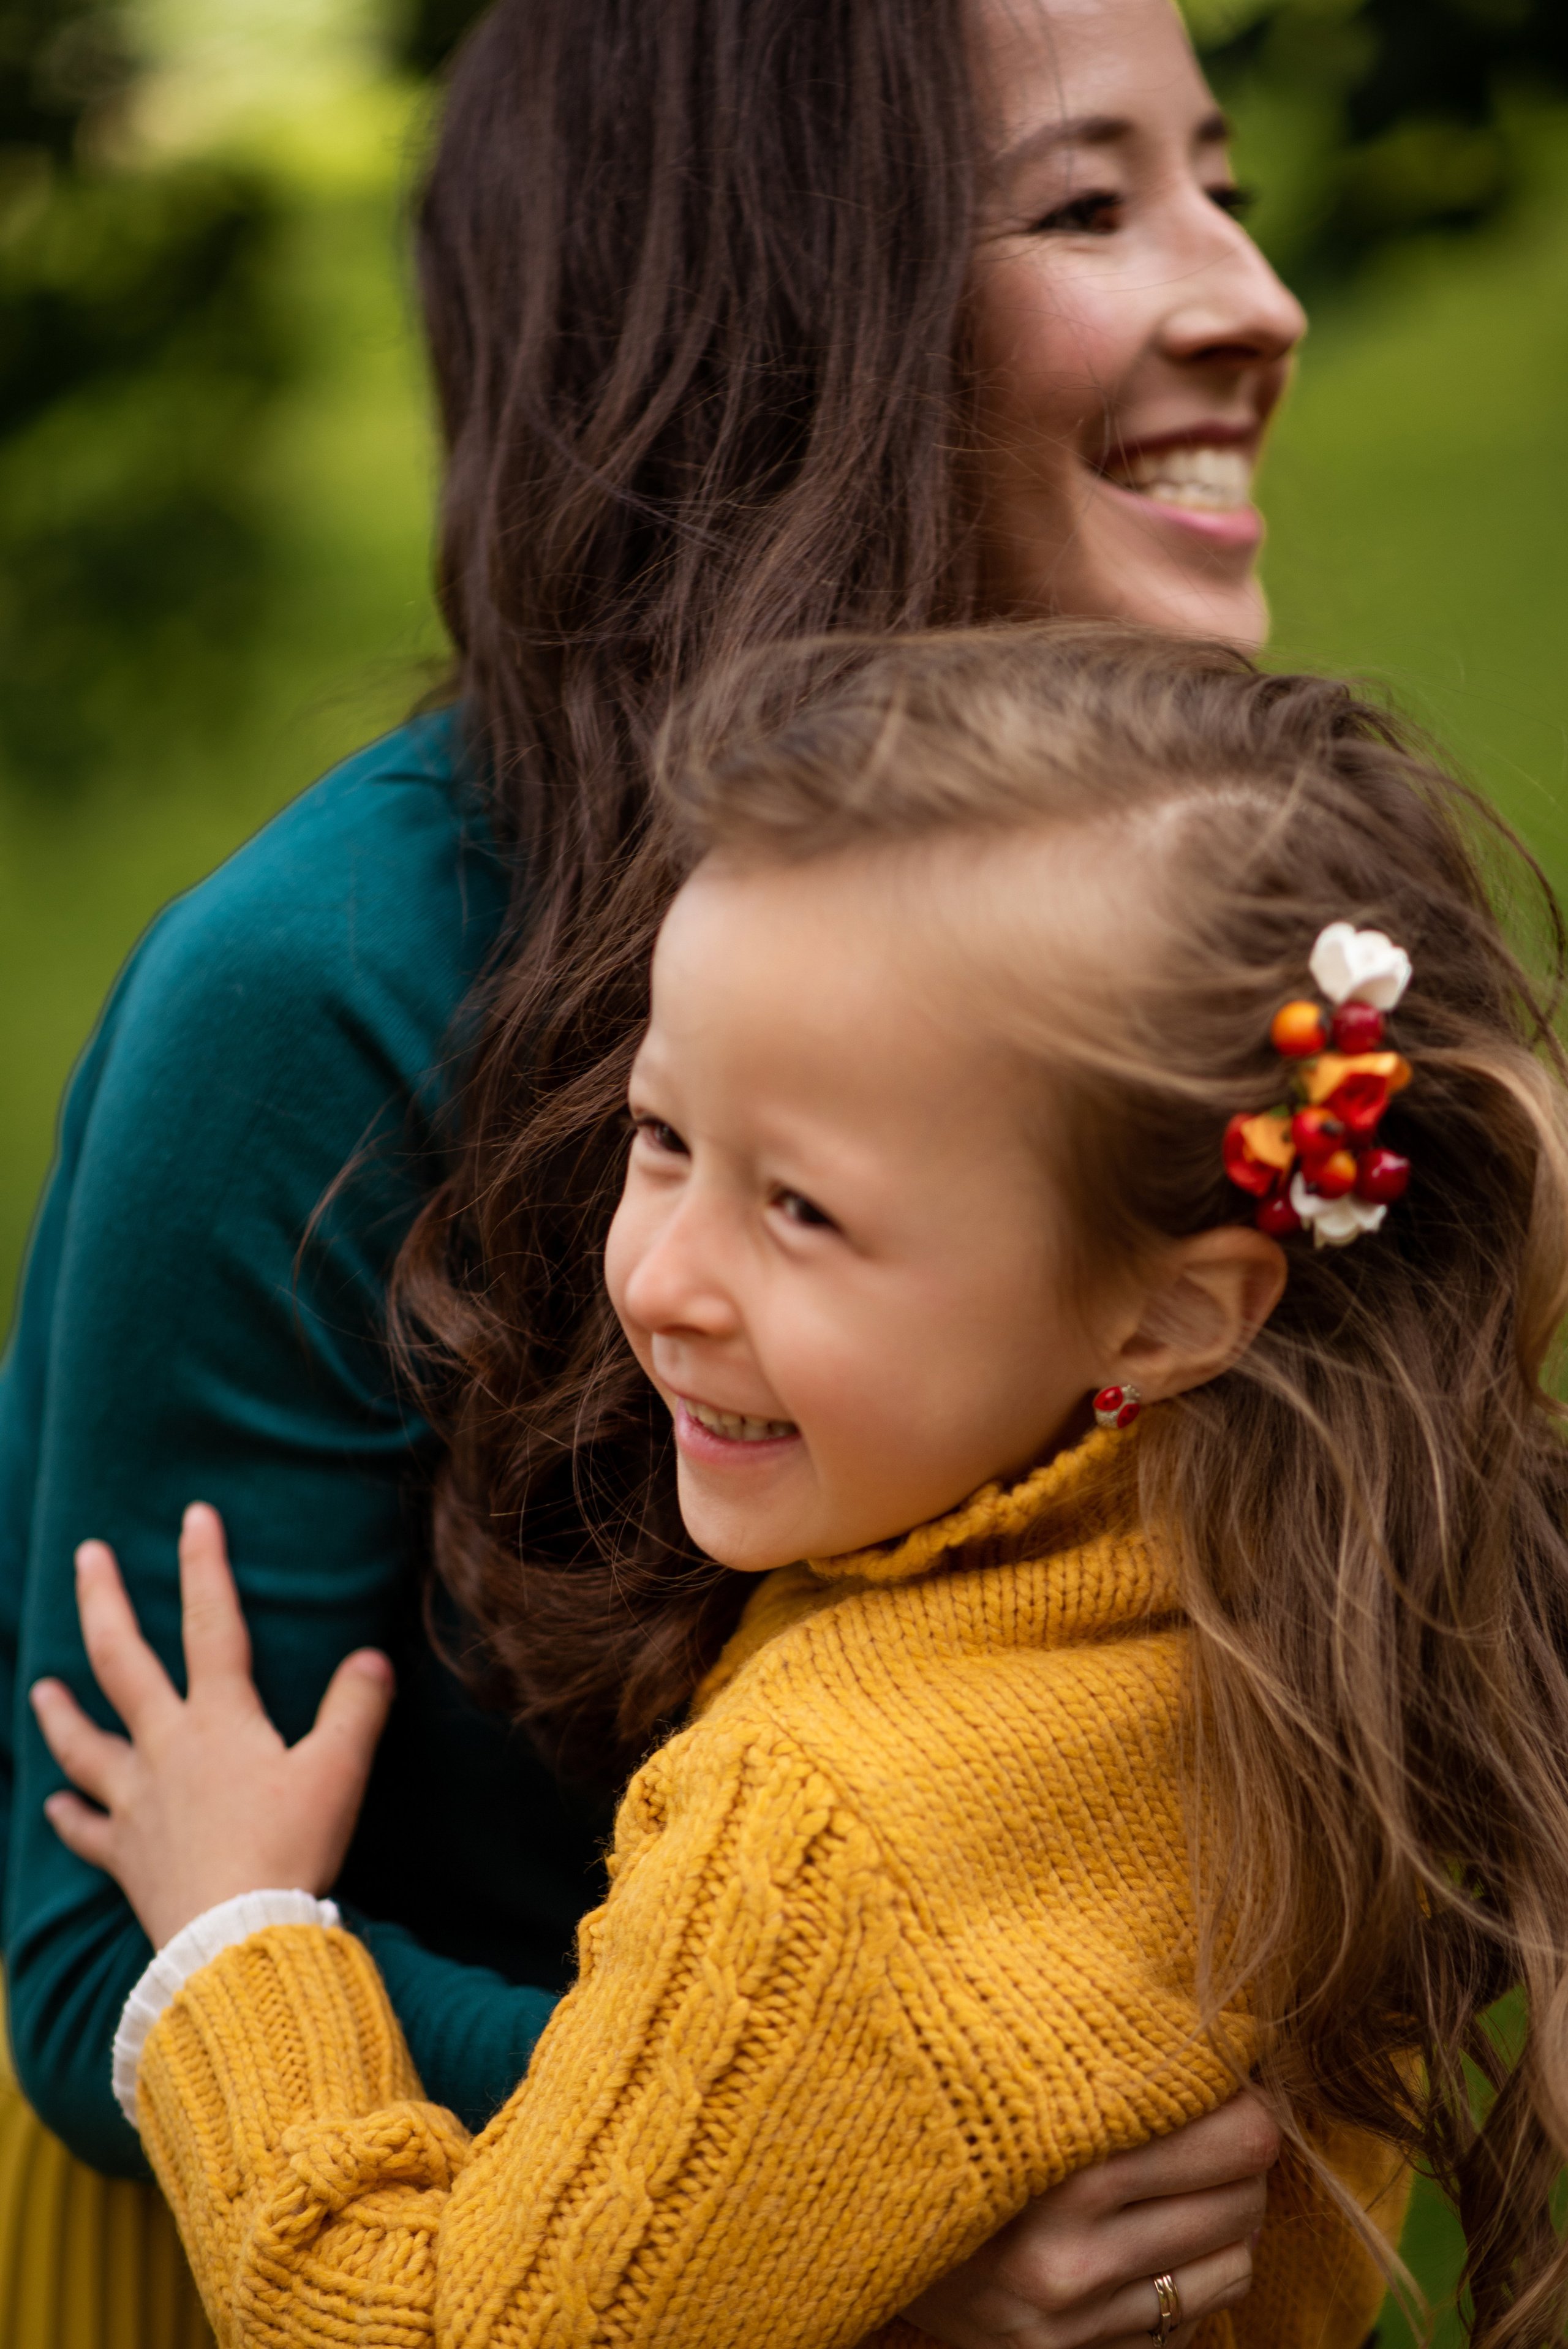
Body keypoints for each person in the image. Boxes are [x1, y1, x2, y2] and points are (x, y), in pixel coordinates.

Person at [0, 0, 1303, 2335]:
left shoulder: (1165, 908)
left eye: (1223, 177)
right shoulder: (321, 993)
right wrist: (853, 2198)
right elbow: (109, 1925)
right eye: (1095, 202)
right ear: (785, 306)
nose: (1253, 296)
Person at [33, 624, 1568, 2349]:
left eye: (804, 1211)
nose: (665, 1279)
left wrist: (236, 1933)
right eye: (662, 1136)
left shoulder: (818, 1825)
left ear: (1178, 1302)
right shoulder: (1309, 1600)